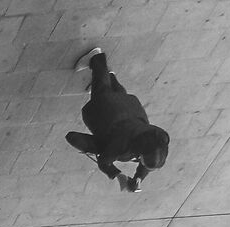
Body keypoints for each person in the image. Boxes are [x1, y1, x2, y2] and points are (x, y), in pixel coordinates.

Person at [67, 48, 169, 192]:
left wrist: (139, 177)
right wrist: (118, 175)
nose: (140, 161)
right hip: (108, 109)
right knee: (101, 85)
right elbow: (104, 161)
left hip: (130, 109)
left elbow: (148, 158)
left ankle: (110, 75)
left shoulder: (159, 138)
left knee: (119, 93)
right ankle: (96, 58)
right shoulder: (122, 145)